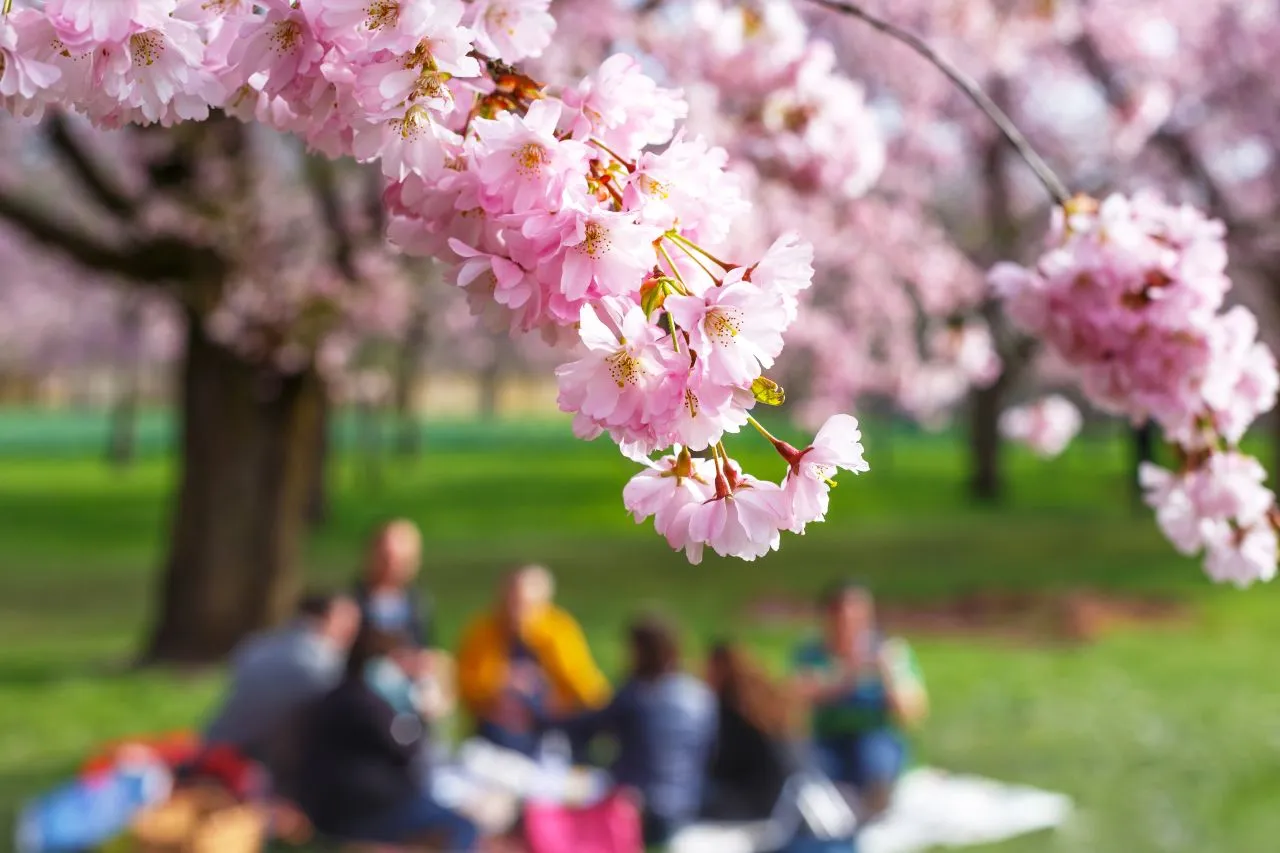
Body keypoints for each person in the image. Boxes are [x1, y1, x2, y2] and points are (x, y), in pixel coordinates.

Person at [292, 628, 479, 850]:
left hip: (349, 805)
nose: (401, 671)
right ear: (377, 662)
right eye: (397, 661)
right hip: (360, 811)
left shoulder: (345, 695)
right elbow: (406, 748)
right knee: (463, 828)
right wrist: (422, 715)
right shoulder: (364, 703)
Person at [551, 615, 716, 847]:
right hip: (690, 805)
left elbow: (586, 727)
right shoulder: (700, 695)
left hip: (639, 812)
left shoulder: (637, 694)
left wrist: (541, 712)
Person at [792, 582, 928, 819]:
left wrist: (890, 675)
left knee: (874, 759)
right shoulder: (812, 653)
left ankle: (874, 808)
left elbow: (912, 713)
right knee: (806, 773)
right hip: (827, 737)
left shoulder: (890, 653)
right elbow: (793, 698)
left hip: (875, 735)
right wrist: (845, 676)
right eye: (842, 618)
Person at [456, 565, 611, 756]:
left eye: (525, 605)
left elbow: (582, 679)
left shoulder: (559, 631)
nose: (516, 612)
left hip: (554, 720)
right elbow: (467, 685)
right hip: (502, 726)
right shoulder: (483, 631)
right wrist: (502, 681)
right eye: (511, 602)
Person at [203, 593, 361, 763]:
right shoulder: (326, 664)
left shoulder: (256, 644)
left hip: (214, 746)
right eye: (351, 624)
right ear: (330, 618)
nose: (354, 633)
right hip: (263, 761)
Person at [702, 642, 802, 822]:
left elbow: (725, 765)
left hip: (754, 803)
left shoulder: (732, 712)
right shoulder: (762, 703)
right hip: (782, 798)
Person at [354, 519, 431, 646]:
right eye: (387, 559)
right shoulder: (349, 605)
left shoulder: (418, 606)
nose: (393, 568)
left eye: (403, 561)